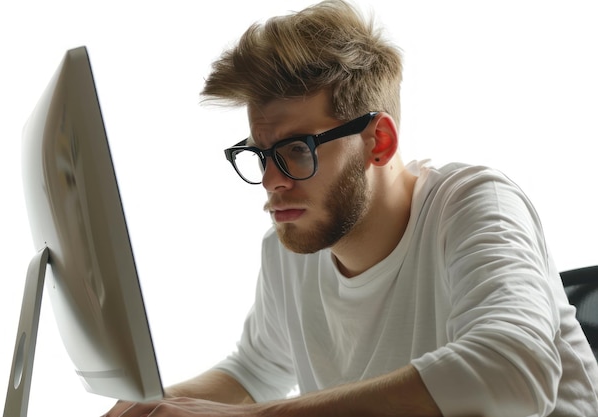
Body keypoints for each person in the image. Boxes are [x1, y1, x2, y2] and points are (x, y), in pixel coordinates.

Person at [104, 1, 598, 416]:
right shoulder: (289, 249)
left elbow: (513, 370)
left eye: (297, 150)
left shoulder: (474, 204)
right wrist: (148, 407)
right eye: (259, 154)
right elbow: (254, 372)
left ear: (378, 141)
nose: (272, 182)